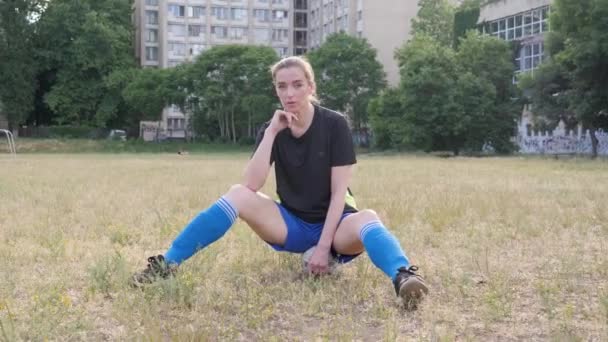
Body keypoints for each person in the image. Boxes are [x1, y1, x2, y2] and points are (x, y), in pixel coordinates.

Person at [132, 56, 429, 309]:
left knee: (368, 217)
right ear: (276, 90)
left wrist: (324, 248)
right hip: (293, 226)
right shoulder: (271, 128)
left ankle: (403, 276)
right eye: (282, 86)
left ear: (311, 87)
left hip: (338, 226)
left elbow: (340, 192)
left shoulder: (334, 124)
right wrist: (272, 133)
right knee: (238, 194)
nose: (290, 93)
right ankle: (166, 265)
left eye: (298, 85)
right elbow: (251, 183)